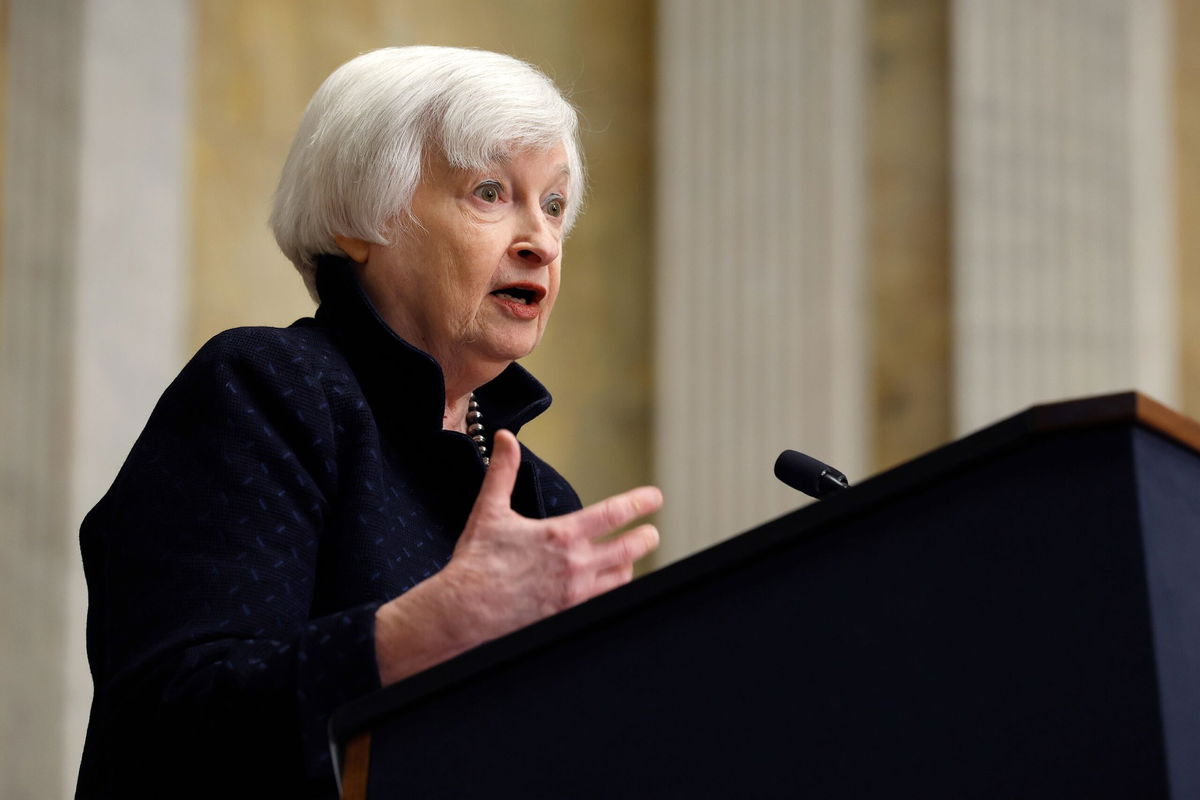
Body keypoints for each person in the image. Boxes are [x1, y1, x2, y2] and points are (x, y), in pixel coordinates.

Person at [76, 46, 662, 799]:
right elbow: (169, 716)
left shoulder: (540, 503)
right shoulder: (269, 393)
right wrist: (423, 631)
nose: (541, 241)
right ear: (361, 221)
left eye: (552, 205)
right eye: (490, 192)